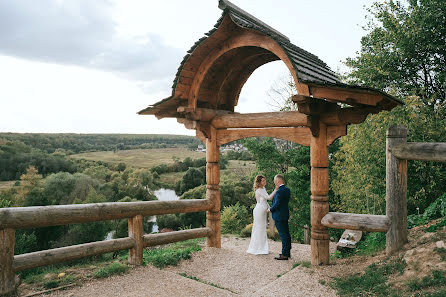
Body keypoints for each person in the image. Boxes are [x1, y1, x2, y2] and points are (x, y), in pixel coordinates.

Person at [247, 175, 277, 255]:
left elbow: (265, 201)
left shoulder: (263, 188)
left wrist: (269, 208)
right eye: (263, 181)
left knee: (262, 228)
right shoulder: (259, 190)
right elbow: (269, 197)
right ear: (259, 182)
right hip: (259, 210)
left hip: (262, 210)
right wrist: (275, 190)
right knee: (259, 228)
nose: (265, 182)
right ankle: (258, 248)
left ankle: (262, 247)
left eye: (265, 180)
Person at [268, 174, 291, 260]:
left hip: (279, 216)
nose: (274, 183)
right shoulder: (287, 190)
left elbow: (277, 203)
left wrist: (270, 209)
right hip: (285, 214)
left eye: (275, 181)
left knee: (283, 235)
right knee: (287, 234)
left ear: (278, 181)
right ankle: (287, 252)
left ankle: (284, 254)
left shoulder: (279, 191)